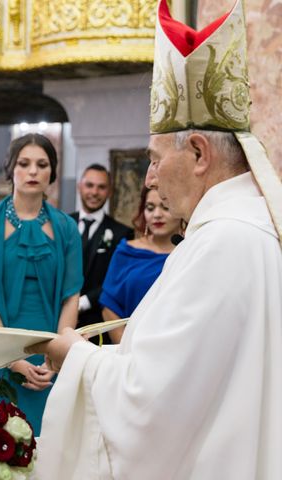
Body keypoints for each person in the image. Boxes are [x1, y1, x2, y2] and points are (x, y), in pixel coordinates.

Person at [30, 1, 282, 478]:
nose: (148, 179)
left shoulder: (223, 244)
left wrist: (74, 357)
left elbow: (152, 401)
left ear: (199, 153)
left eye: (153, 158)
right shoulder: (247, 226)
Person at [0, 133, 83, 435]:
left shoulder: (67, 228)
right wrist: (13, 359)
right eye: (24, 163)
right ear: (10, 169)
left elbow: (71, 296)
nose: (33, 171)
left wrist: (58, 354)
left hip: (50, 354)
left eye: (42, 164)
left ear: (52, 173)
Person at [99, 186, 183, 343]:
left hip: (174, 344)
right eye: (150, 208)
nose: (157, 215)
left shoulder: (188, 252)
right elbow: (109, 306)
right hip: (128, 346)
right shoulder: (127, 251)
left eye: (165, 207)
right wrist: (125, 349)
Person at [70, 164, 133, 342]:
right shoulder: (63, 224)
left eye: (101, 187)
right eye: (89, 185)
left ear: (110, 191)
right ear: (79, 186)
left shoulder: (122, 233)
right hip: (59, 320)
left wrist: (82, 303)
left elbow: (116, 279)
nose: (94, 192)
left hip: (97, 325)